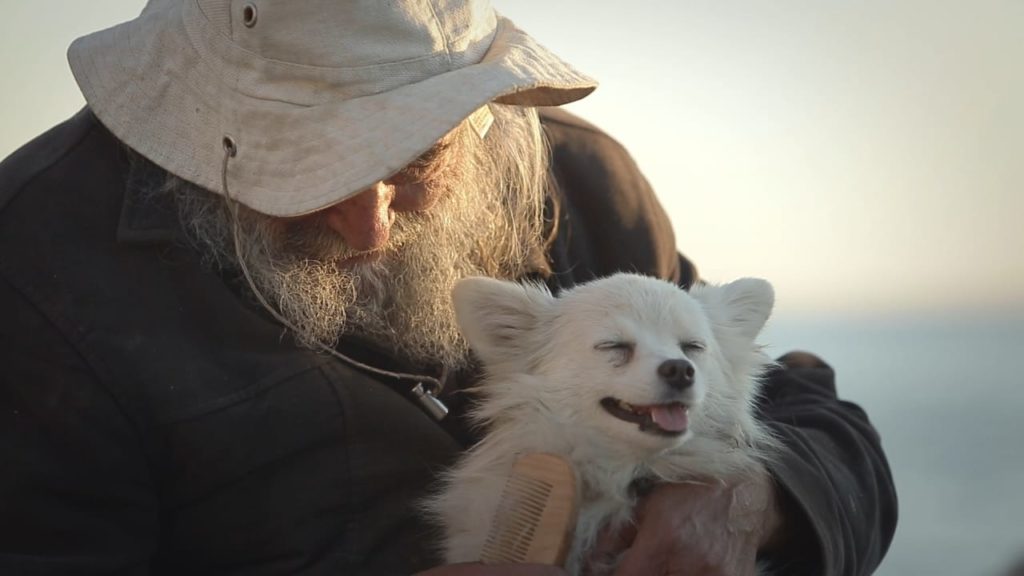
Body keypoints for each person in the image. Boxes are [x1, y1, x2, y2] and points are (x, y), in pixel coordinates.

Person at [0, 1, 896, 575]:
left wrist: (752, 504)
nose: (372, 226)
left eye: (416, 157)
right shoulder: (35, 269)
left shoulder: (582, 182)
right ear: (194, 135)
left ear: (474, 115)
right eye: (300, 175)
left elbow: (820, 425)